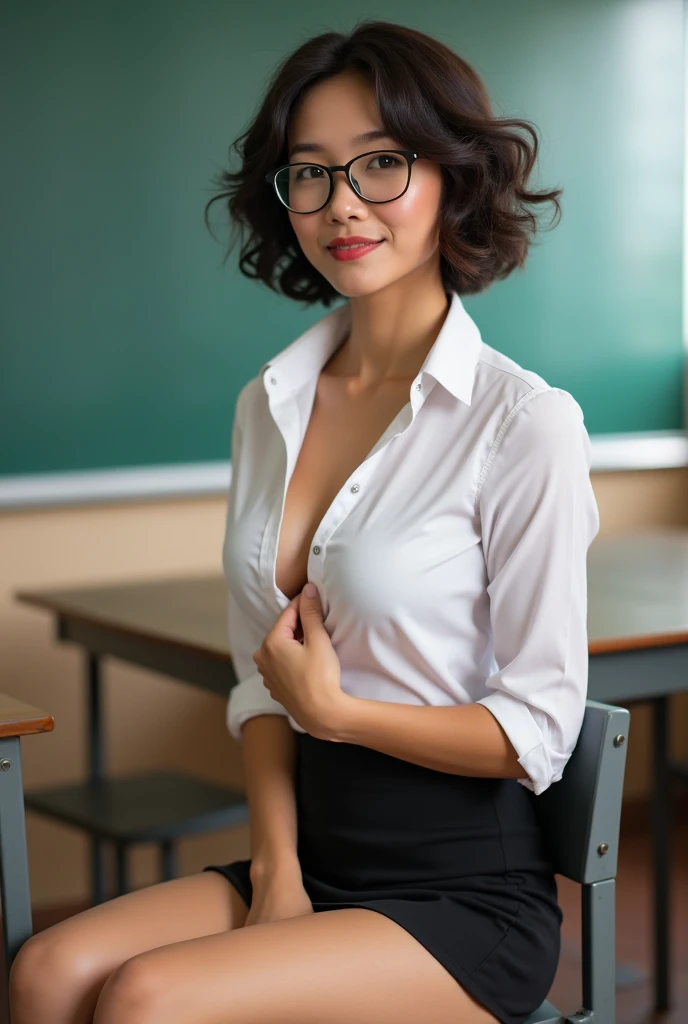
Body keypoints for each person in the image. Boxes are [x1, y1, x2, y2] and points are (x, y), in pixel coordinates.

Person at [9, 18, 600, 1024]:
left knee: (150, 998)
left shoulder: (523, 423)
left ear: (451, 177)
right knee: (44, 974)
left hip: (462, 894)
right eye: (310, 174)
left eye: (381, 165)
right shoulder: (268, 402)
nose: (342, 206)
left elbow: (536, 731)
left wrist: (340, 714)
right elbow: (261, 681)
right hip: (311, 850)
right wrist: (277, 875)